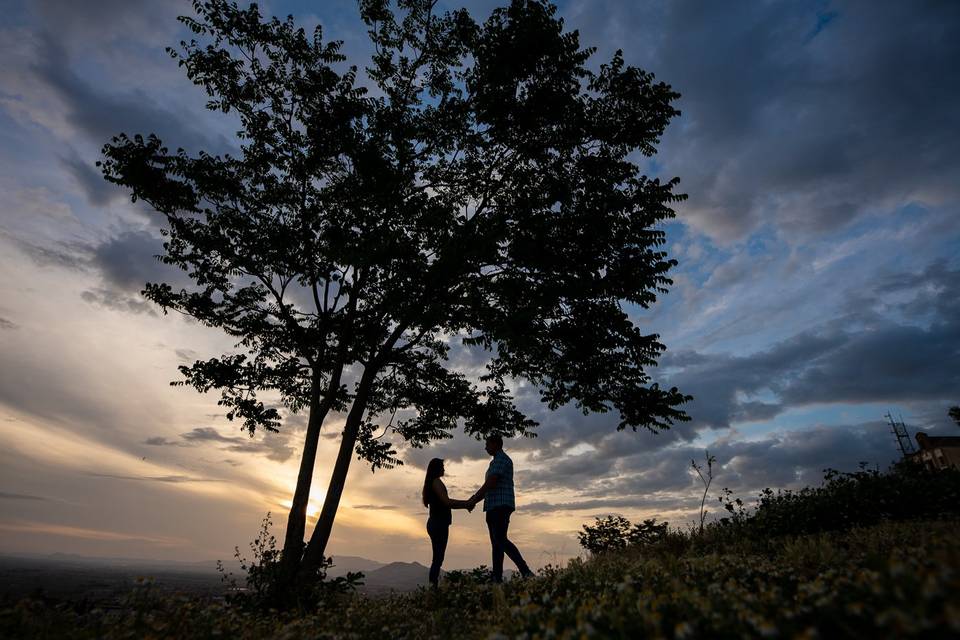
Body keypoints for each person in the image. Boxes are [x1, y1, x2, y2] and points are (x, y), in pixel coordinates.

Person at [468, 434, 534, 583]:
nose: (485, 447)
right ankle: (497, 578)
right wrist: (475, 500)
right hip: (493, 506)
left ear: (496, 444)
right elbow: (490, 487)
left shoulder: (501, 460)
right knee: (497, 544)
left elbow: (491, 483)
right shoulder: (495, 462)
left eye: (487, 444)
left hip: (500, 506)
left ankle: (525, 571)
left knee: (500, 540)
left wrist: (473, 499)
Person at [422, 457, 473, 587]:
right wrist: (466, 504)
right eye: (442, 467)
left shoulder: (433, 482)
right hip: (438, 524)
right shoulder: (436, 482)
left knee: (438, 558)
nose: (444, 469)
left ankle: (433, 587)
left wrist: (466, 504)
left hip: (436, 523)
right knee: (438, 559)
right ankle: (433, 588)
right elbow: (447, 502)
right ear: (437, 469)